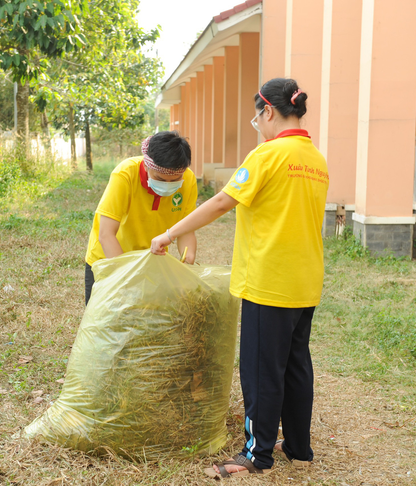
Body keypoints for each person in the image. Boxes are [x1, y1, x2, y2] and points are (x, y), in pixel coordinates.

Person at [150, 78, 329, 479]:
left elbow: (220, 203)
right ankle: (298, 446)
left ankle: (257, 454)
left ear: (268, 111)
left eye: (257, 116)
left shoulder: (267, 155)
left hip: (270, 280)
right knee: (296, 364)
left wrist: (169, 233)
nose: (258, 124)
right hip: (305, 280)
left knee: (262, 370)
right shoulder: (314, 157)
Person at [84, 131, 197, 304]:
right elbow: (106, 234)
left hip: (150, 264)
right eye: (160, 179)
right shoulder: (125, 174)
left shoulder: (188, 180)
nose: (168, 186)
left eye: (175, 180)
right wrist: (127, 280)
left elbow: (186, 229)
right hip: (109, 261)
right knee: (104, 324)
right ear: (146, 165)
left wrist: (187, 262)